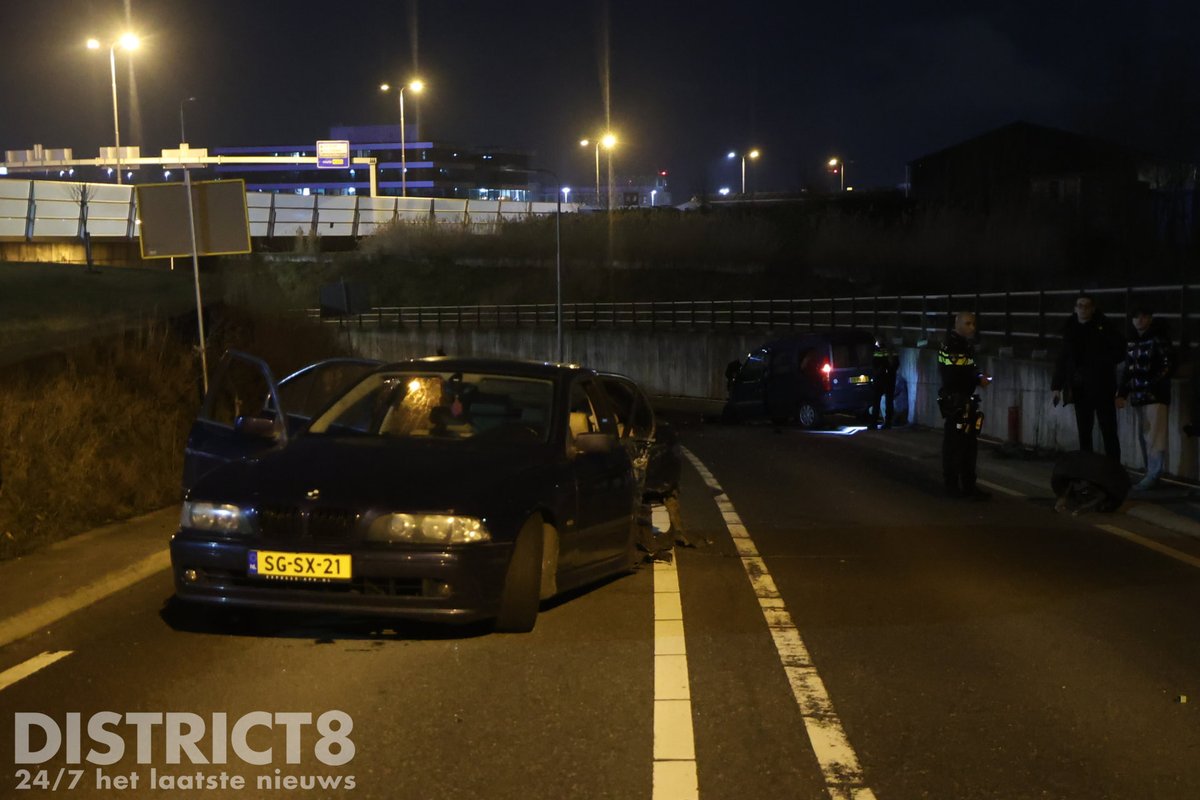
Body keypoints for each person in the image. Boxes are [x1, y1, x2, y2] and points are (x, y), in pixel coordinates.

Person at [1051, 294, 1124, 462]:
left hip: (1102, 386)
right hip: (1080, 387)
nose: (1083, 309)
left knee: (1108, 430)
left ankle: (1114, 468)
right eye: (1080, 306)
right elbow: (1063, 359)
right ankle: (1087, 467)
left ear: (1093, 309)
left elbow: (1120, 350)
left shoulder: (1104, 327)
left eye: (1086, 306)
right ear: (1075, 309)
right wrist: (1056, 386)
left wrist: (1102, 363)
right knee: (1084, 430)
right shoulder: (1071, 329)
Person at [1116, 306, 1176, 490]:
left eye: (1144, 317)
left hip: (1154, 394)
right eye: (1137, 317)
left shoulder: (1157, 339)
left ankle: (1153, 473)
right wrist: (1122, 393)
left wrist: (1152, 383)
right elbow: (1128, 369)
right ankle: (1150, 472)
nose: (1140, 320)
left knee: (1154, 435)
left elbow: (1168, 364)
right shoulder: (1133, 342)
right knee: (1146, 435)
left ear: (1150, 319)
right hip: (1140, 394)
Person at [938, 312, 991, 499]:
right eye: (968, 324)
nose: (972, 327)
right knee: (954, 444)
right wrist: (976, 378)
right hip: (956, 401)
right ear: (958, 324)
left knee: (969, 445)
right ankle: (952, 486)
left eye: (973, 323)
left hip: (964, 399)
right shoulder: (953, 345)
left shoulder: (964, 345)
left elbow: (968, 368)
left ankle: (968, 486)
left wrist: (977, 377)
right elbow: (955, 374)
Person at [871, 336, 899, 429]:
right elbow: (897, 363)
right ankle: (888, 423)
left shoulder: (878, 349)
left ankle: (874, 423)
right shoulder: (893, 350)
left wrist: (878, 372)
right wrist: (891, 372)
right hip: (890, 378)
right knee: (889, 401)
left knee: (876, 400)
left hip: (880, 378)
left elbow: (875, 363)